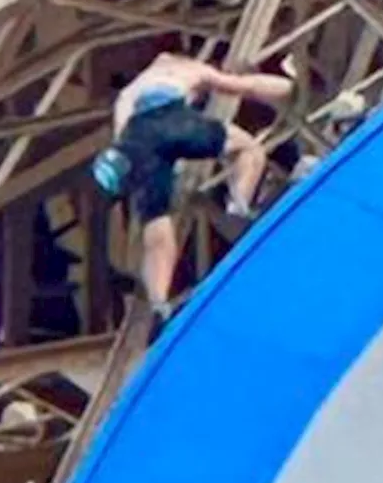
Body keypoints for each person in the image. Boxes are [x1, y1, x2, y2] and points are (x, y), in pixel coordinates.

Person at [91, 53, 294, 341]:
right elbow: (246, 86)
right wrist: (293, 90)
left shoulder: (128, 94)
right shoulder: (186, 71)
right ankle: (238, 206)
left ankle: (159, 304)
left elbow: (124, 139)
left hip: (135, 140)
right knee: (248, 150)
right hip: (171, 117)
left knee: (156, 229)